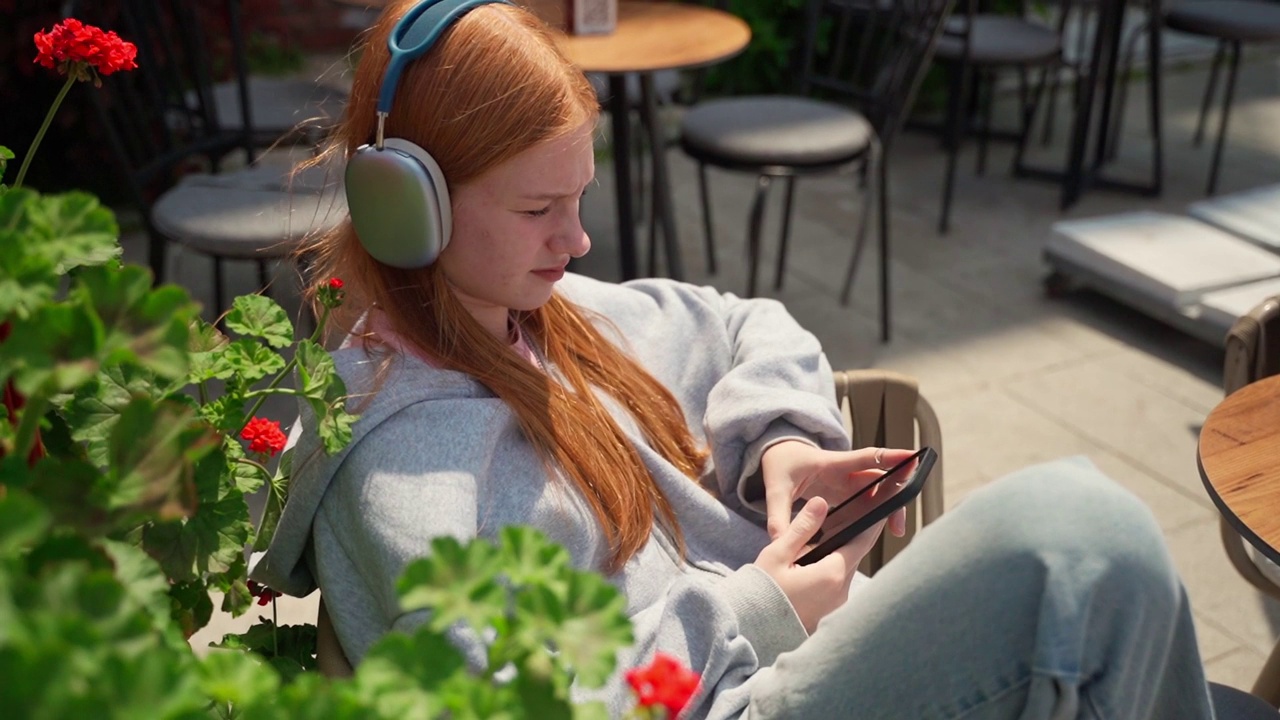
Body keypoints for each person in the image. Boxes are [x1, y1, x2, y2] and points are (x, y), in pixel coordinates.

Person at [250, 1, 1217, 717]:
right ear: (406, 207)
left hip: (786, 659)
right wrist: (758, 608)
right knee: (1077, 542)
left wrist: (782, 443)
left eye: (579, 199)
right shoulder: (404, 474)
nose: (578, 242)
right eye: (540, 210)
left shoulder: (545, 312)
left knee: (1092, 556)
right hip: (733, 698)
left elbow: (743, 322)